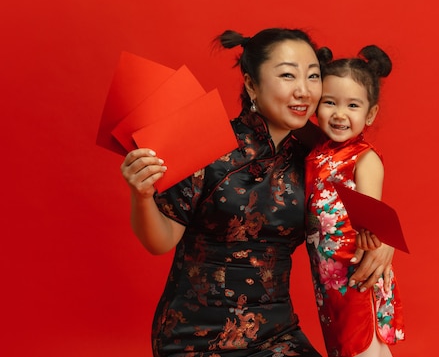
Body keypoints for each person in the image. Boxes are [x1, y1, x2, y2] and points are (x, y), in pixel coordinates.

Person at [120, 28, 393, 357]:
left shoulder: (312, 155)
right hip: (194, 336)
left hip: (277, 335)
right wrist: (142, 195)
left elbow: (358, 186)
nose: (303, 91)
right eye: (288, 76)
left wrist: (383, 236)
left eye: (313, 77)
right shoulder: (206, 144)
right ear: (251, 84)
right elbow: (160, 241)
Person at [304, 45, 405, 357]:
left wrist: (375, 244)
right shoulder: (317, 152)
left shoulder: (364, 158)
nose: (339, 114)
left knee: (362, 347)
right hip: (328, 277)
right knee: (342, 346)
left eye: (352, 105)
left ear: (370, 113)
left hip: (357, 271)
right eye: (329, 102)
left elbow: (370, 216)